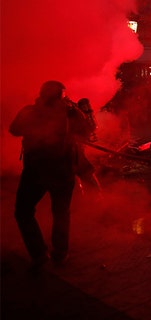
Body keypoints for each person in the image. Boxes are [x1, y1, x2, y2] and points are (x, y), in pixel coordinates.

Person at [9, 80, 92, 270]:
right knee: (61, 213)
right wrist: (74, 109)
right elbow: (88, 131)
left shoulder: (29, 111)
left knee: (23, 212)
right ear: (62, 96)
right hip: (63, 172)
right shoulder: (70, 112)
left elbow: (13, 130)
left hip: (35, 172)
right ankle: (60, 253)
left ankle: (38, 254)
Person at [75, 98, 102, 196]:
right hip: (73, 149)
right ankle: (96, 198)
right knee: (85, 173)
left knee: (84, 172)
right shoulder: (70, 110)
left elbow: (91, 127)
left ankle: (94, 198)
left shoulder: (71, 110)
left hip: (73, 148)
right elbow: (91, 127)